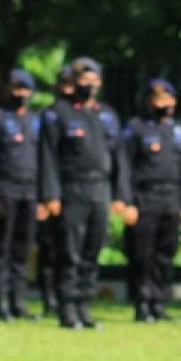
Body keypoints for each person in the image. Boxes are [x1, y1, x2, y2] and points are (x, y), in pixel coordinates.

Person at [38, 57, 120, 329]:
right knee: (69, 253)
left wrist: (121, 195)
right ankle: (67, 308)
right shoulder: (57, 113)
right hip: (71, 189)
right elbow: (47, 157)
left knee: (92, 251)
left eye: (93, 80)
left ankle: (85, 306)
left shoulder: (106, 114)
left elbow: (119, 158)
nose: (89, 85)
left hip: (100, 189)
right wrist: (50, 195)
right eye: (83, 80)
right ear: (73, 82)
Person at [115, 79, 181, 322]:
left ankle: (159, 302)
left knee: (166, 253)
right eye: (159, 100)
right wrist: (126, 200)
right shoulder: (136, 129)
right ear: (150, 102)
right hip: (145, 197)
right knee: (143, 254)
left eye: (169, 99)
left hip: (171, 198)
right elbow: (124, 166)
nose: (165, 104)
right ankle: (142, 303)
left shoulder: (179, 131)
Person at [0, 69, 39, 320]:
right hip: (6, 190)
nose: (21, 94)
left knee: (23, 248)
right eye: (17, 89)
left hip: (30, 191)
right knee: (2, 248)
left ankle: (19, 300)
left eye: (25, 90)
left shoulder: (36, 120)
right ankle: (1, 302)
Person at [36, 66, 74, 315]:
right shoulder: (51, 115)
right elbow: (46, 159)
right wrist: (49, 195)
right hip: (54, 193)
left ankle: (63, 298)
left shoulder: (89, 115)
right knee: (51, 249)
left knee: (69, 251)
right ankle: (50, 298)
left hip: (77, 193)